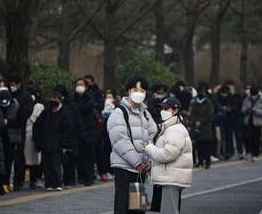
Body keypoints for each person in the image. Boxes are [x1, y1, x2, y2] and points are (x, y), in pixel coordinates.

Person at [107, 76, 157, 214]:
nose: (138, 93)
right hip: (125, 168)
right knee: (123, 207)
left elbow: (154, 136)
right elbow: (119, 141)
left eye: (142, 90)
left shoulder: (145, 113)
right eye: (135, 89)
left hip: (141, 170)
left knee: (138, 207)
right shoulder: (119, 113)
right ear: (128, 91)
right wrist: (136, 162)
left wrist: (149, 160)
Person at [144, 97, 193, 214]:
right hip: (168, 177)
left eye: (166, 108)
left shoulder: (174, 130)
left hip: (171, 178)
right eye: (162, 108)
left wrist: (149, 148)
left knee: (169, 211)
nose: (163, 111)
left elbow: (167, 155)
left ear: (175, 111)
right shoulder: (169, 127)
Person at [33, 88, 74, 191]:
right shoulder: (46, 111)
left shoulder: (65, 113)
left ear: (60, 100)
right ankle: (49, 184)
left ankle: (58, 183)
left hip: (57, 144)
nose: (53, 101)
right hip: (46, 142)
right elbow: (37, 125)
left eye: (56, 99)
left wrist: (65, 145)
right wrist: (38, 141)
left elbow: (68, 130)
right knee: (46, 166)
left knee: (56, 165)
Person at [7, 75, 33, 191]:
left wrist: (15, 121)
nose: (11, 87)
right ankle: (6, 181)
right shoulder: (8, 94)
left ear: (19, 84)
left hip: (19, 128)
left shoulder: (25, 96)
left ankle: (18, 181)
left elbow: (26, 112)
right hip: (7, 128)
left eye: (13, 84)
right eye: (10, 84)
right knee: (8, 156)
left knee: (18, 157)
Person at [73, 78, 99, 186]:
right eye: (77, 84)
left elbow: (85, 108)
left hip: (88, 131)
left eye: (81, 84)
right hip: (77, 131)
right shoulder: (73, 98)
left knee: (88, 156)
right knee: (79, 156)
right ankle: (81, 177)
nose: (79, 86)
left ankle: (89, 177)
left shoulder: (89, 98)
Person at [53, 84, 80, 188]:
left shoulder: (71, 106)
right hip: (57, 136)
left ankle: (70, 181)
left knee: (69, 161)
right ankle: (59, 181)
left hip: (70, 136)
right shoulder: (53, 104)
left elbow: (75, 122)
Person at [0, 87, 19, 192]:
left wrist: (7, 122)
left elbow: (18, 122)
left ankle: (6, 181)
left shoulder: (15, 107)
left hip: (11, 138)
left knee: (9, 161)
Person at [24, 87, 44, 189]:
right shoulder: (24, 105)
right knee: (28, 159)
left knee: (36, 159)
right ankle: (29, 180)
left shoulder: (39, 106)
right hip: (26, 134)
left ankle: (35, 179)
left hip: (36, 135)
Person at [190, 85, 214, 169]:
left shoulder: (208, 102)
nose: (201, 93)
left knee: (206, 145)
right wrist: (195, 121)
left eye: (202, 92)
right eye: (200, 92)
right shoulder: (194, 102)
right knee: (198, 145)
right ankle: (199, 162)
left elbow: (210, 115)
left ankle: (207, 162)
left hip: (205, 127)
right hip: (196, 126)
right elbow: (191, 113)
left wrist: (201, 121)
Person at [242, 87, 262, 161]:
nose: (253, 97)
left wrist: (256, 111)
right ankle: (248, 152)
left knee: (256, 138)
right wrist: (247, 110)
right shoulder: (247, 99)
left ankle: (255, 154)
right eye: (251, 95)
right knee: (247, 138)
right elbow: (242, 109)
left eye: (254, 95)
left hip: (257, 122)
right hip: (248, 121)